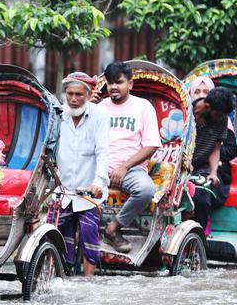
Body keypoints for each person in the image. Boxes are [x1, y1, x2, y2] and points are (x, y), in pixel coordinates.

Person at [96, 61, 161, 253]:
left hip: (131, 170)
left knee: (146, 190)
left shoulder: (143, 107)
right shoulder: (99, 108)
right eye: (109, 82)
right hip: (99, 168)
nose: (114, 87)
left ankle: (113, 229)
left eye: (119, 82)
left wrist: (123, 167)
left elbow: (151, 145)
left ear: (130, 84)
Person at [55, 72, 109, 276]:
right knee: (58, 233)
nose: (74, 99)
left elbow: (103, 151)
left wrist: (98, 181)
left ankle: (88, 280)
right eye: (70, 94)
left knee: (88, 233)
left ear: (88, 95)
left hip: (90, 190)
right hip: (63, 189)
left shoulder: (100, 116)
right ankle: (63, 274)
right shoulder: (59, 115)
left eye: (79, 94)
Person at [186, 87, 236, 230]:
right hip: (178, 163)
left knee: (202, 198)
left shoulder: (222, 119)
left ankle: (200, 239)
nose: (221, 119)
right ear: (207, 107)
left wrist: (213, 172)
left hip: (202, 166)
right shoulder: (185, 112)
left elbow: (216, 148)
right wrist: (185, 163)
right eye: (218, 115)